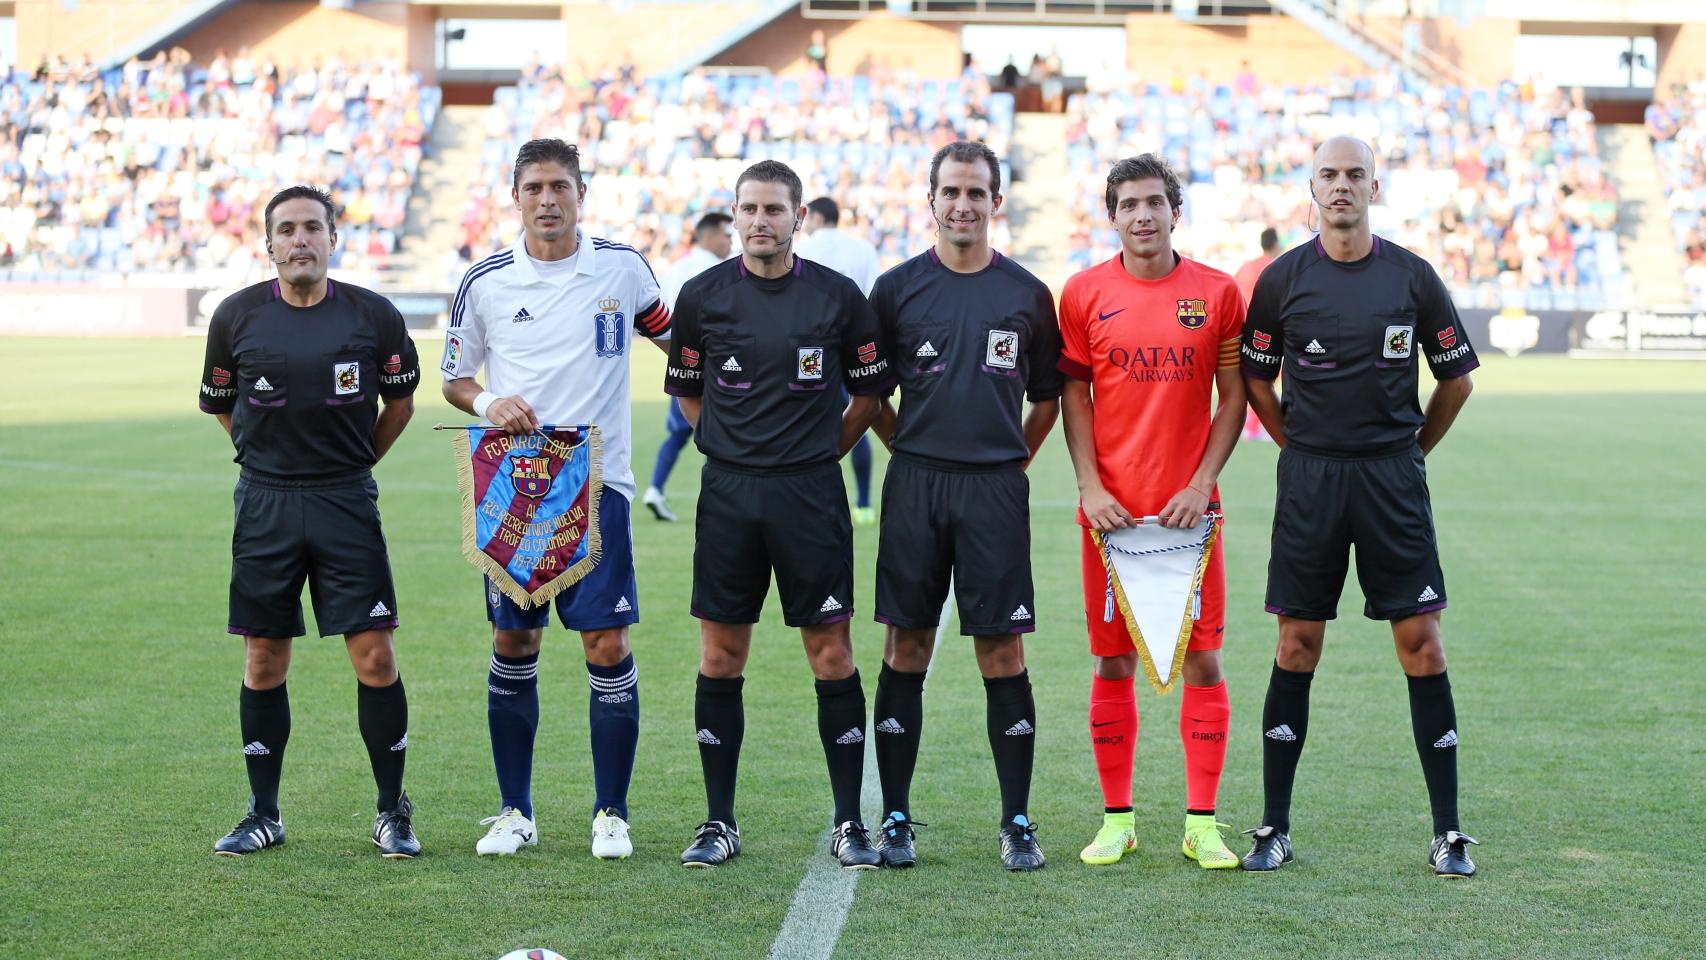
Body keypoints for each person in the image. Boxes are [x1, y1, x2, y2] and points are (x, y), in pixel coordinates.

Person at [1238, 136, 1480, 878]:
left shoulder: (1412, 277)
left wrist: (1409, 455)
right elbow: (1255, 381)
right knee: (1296, 646)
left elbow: (1457, 380)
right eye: (1329, 176)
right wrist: (1300, 447)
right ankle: (1273, 827)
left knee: (1423, 645)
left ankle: (1448, 832)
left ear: (1376, 186)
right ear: (1310, 187)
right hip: (1311, 481)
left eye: (1354, 176)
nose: (1341, 187)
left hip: (1391, 482)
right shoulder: (1281, 281)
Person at [442, 138, 672, 860]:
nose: (548, 199)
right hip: (515, 486)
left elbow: (683, 346)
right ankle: (515, 810)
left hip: (599, 483)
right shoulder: (484, 281)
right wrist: (487, 401)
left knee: (606, 642)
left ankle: (612, 813)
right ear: (515, 196)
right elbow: (453, 378)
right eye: (534, 186)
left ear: (582, 191)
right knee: (514, 640)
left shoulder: (624, 270)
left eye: (560, 185)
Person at [664, 160, 893, 869]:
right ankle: (718, 822)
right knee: (720, 654)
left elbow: (869, 394)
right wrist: (727, 448)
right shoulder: (701, 298)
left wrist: (825, 450)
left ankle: (850, 822)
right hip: (729, 498)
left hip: (809, 496)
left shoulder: (838, 297)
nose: (760, 221)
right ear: (734, 216)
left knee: (831, 653)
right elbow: (688, 395)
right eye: (749, 209)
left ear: (799, 218)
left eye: (773, 209)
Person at [200, 184, 422, 858]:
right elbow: (221, 404)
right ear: (268, 244)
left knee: (375, 655)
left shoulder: (374, 315)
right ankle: (263, 812)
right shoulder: (236, 316)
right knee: (263, 657)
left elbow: (402, 403)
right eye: (287, 230)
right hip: (265, 503)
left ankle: (392, 810)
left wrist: (354, 466)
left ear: (333, 239)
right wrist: (261, 460)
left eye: (313, 228)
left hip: (345, 501)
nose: (301, 240)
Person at [865, 141, 1061, 871]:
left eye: (977, 193)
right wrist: (905, 444)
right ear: (932, 200)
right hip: (915, 483)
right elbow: (871, 394)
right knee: (904, 645)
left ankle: (1015, 820)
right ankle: (894, 817)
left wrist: (1012, 459)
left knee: (1001, 648)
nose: (964, 204)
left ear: (996, 203)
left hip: (995, 490)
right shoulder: (895, 289)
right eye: (951, 191)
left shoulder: (1028, 294)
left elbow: (1047, 400)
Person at [1057, 154, 1248, 870]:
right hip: (1110, 519)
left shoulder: (1218, 293)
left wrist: (1201, 483)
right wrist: (1089, 487)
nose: (1142, 215)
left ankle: (1202, 824)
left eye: (1154, 203)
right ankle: (1118, 820)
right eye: (1128, 204)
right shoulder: (1082, 293)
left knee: (1203, 659)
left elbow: (1234, 398)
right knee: (1112, 665)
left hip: (1191, 520)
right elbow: (1073, 396)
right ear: (1112, 215)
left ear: (1176, 211)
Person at [795, 196, 881, 525]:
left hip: (807, 352)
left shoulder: (802, 248)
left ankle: (805, 492)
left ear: (814, 217)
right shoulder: (861, 249)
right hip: (853, 347)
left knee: (805, 422)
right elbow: (873, 295)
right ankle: (861, 503)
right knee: (860, 417)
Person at [644, 211, 733, 523]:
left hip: (682, 366)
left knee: (683, 430)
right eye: (726, 235)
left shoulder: (676, 269)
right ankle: (726, 496)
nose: (730, 241)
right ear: (709, 236)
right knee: (723, 432)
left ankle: (655, 488)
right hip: (719, 369)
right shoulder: (723, 271)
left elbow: (662, 323)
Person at [1235, 227, 1282, 442]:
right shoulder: (1276, 268)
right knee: (1262, 379)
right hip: (1264, 332)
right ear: (1274, 244)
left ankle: (1248, 424)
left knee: (1245, 379)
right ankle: (1255, 426)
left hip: (1239, 329)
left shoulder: (1247, 267)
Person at [1234, 226, 1281, 304]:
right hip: (1262, 313)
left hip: (1244, 310)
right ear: (1275, 244)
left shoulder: (1247, 265)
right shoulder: (1276, 268)